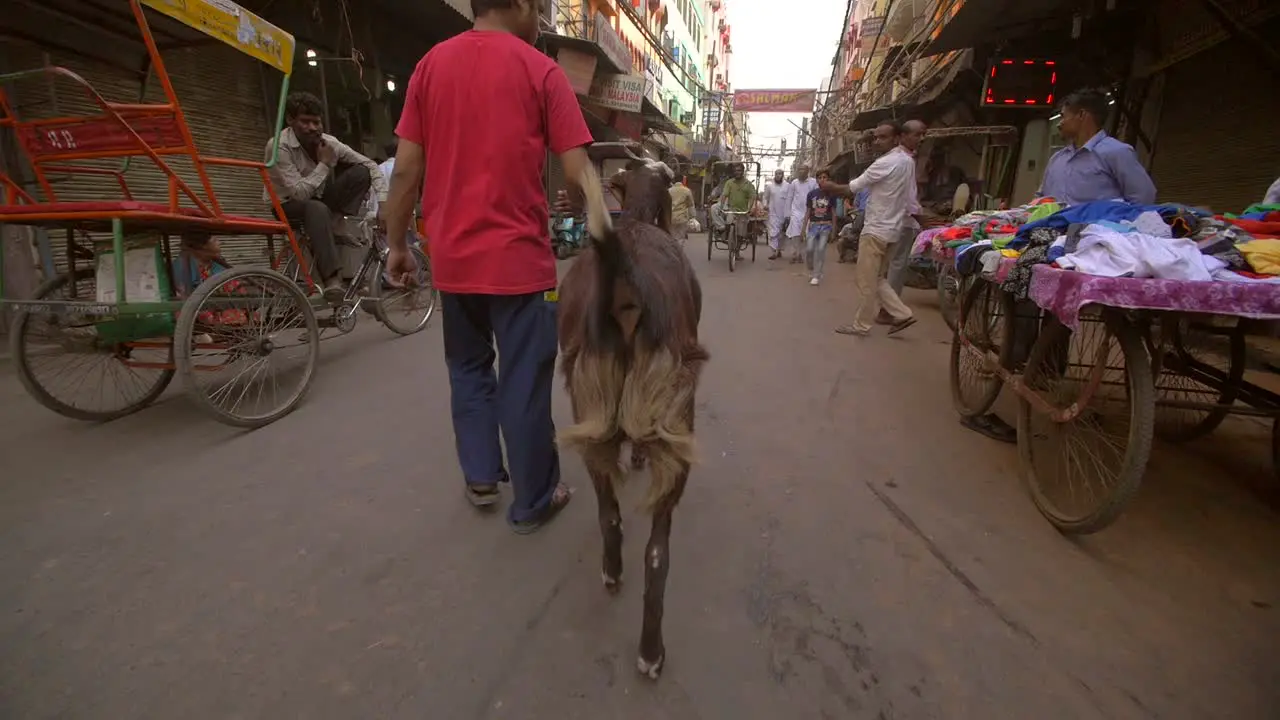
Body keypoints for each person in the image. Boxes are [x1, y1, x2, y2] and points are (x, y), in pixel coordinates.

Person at [381, 0, 594, 533]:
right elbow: (576, 168)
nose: (541, 20)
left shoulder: (430, 66)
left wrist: (398, 243)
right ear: (522, 5)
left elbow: (406, 170)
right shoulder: (540, 69)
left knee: (469, 369)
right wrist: (577, 205)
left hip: (454, 262)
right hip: (521, 263)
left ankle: (479, 476)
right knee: (523, 379)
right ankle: (534, 501)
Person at [266, 91, 387, 303]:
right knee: (315, 208)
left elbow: (370, 165)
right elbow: (299, 193)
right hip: (286, 205)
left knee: (360, 172)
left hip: (320, 202)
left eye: (317, 122)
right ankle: (333, 281)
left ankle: (334, 223)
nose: (313, 128)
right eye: (305, 122)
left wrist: (384, 204)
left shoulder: (329, 142)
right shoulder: (278, 146)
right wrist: (324, 164)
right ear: (290, 121)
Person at [821, 120, 917, 337]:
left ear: (896, 138)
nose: (877, 141)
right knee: (878, 278)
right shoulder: (907, 161)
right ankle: (902, 313)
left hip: (876, 230)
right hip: (894, 229)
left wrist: (829, 187)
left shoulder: (885, 163)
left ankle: (861, 325)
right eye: (875, 137)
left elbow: (851, 188)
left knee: (865, 280)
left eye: (882, 137)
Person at [1038, 88, 1157, 206]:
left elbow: (1143, 197)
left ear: (1081, 115)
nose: (1059, 124)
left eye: (1063, 116)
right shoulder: (1057, 159)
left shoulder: (1117, 152)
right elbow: (1041, 199)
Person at [885, 119, 928, 307]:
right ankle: (890, 308)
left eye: (923, 134)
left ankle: (887, 306)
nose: (921, 138)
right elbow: (908, 196)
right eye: (917, 134)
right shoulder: (904, 160)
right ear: (902, 136)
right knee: (896, 264)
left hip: (893, 219)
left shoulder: (899, 158)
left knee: (890, 264)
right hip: (902, 220)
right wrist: (922, 218)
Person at [802, 170, 837, 286]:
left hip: (826, 226)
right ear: (817, 180)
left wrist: (834, 230)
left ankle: (816, 275)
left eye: (825, 177)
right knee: (809, 249)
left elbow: (833, 213)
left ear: (828, 180)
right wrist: (803, 228)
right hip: (813, 226)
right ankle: (811, 266)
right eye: (820, 177)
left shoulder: (831, 195)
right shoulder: (811, 194)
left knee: (821, 249)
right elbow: (808, 212)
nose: (822, 179)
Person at [721, 163, 756, 259]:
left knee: (741, 234)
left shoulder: (748, 184)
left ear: (743, 172)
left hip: (743, 212)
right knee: (728, 221)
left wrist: (749, 208)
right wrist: (721, 206)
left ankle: (737, 252)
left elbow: (752, 197)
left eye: (739, 170)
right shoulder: (729, 183)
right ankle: (727, 236)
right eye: (735, 171)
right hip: (731, 209)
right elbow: (724, 195)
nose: (737, 172)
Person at [786, 164, 818, 264]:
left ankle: (801, 254)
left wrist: (815, 211)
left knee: (806, 234)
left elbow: (816, 197)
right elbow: (790, 197)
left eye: (803, 169)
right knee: (795, 234)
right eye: (799, 169)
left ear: (808, 171)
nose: (800, 171)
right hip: (795, 212)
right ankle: (796, 253)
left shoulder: (813, 182)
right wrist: (788, 213)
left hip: (808, 212)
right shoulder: (794, 183)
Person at [763, 168, 792, 260]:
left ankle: (779, 250)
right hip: (773, 213)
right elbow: (765, 197)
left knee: (781, 234)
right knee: (773, 233)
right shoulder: (770, 187)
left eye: (780, 174)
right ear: (774, 175)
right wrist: (765, 205)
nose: (778, 175)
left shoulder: (788, 186)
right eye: (776, 174)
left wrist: (790, 212)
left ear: (783, 175)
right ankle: (773, 252)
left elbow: (791, 199)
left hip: (784, 213)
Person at [669, 174, 695, 244]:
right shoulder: (687, 190)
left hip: (670, 217)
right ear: (682, 180)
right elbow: (691, 205)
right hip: (682, 218)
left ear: (673, 181)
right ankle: (678, 252)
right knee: (680, 238)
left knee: (671, 236)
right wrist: (693, 217)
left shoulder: (669, 191)